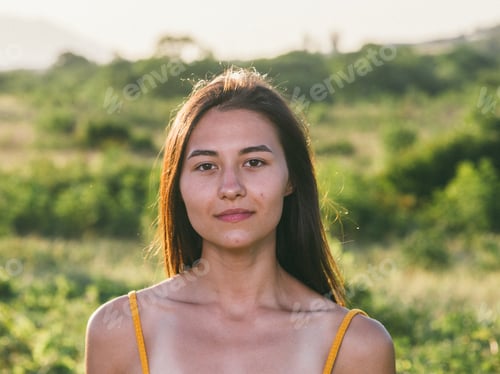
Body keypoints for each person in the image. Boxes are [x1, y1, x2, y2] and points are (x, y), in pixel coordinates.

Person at [85, 67, 395, 373]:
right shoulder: (120, 331)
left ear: (291, 179)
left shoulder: (355, 346)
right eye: (206, 166)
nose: (231, 188)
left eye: (254, 162)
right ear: (177, 186)